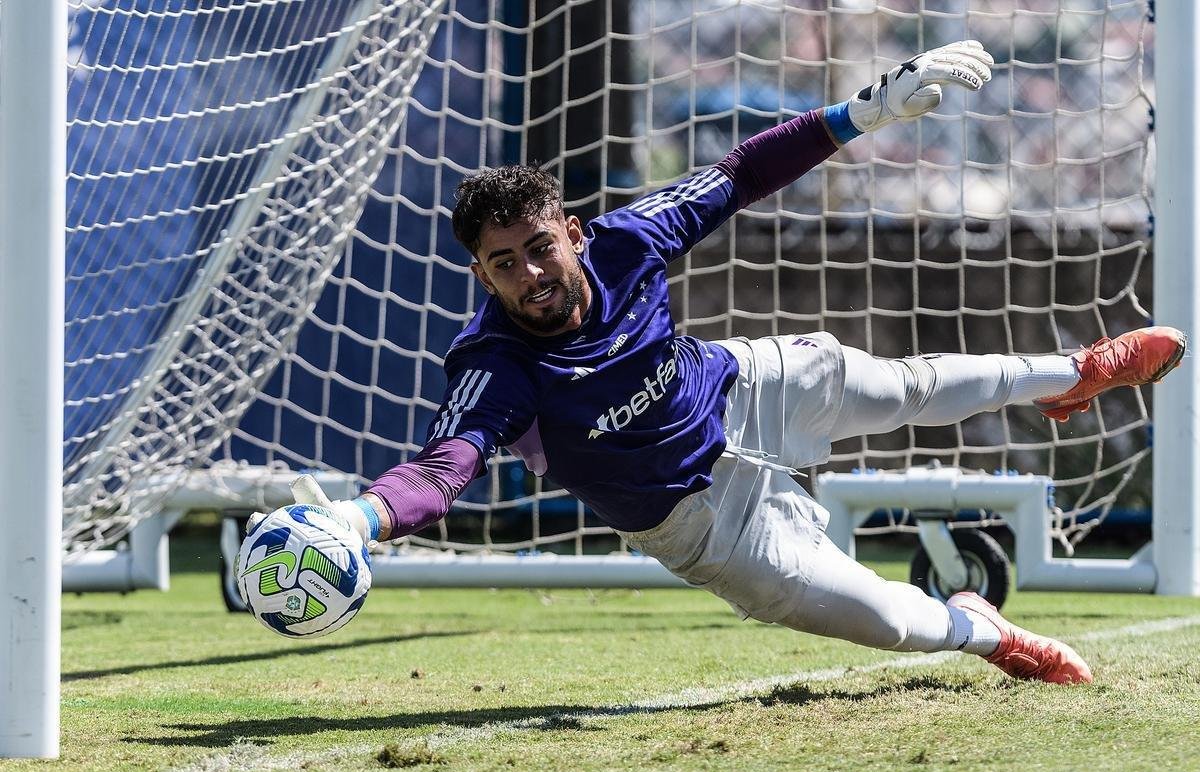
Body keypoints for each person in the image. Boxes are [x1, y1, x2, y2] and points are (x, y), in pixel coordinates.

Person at [262, 42, 1186, 684]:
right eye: (503, 264)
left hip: (743, 388)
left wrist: (866, 110)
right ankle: (981, 631)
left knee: (907, 387)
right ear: (481, 274)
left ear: (571, 234)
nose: (531, 275)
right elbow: (444, 467)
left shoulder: (626, 240)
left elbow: (743, 171)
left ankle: (1075, 372)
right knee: (891, 622)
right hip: (702, 524)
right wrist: (358, 517)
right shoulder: (496, 363)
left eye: (540, 248)